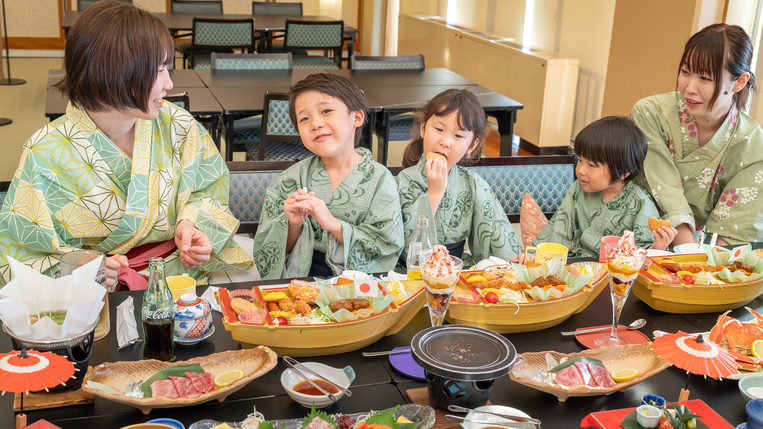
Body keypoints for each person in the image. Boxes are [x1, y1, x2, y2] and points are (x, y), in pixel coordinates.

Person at [0, 1, 252, 289]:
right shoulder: (45, 152)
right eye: (158, 71)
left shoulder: (177, 125)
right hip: (95, 294)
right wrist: (74, 267)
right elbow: (17, 255)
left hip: (180, 278)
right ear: (118, 72)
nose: (169, 83)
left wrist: (190, 226)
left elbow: (209, 189)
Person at [252, 73, 404, 279]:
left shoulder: (380, 179)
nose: (315, 124)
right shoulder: (291, 178)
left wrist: (333, 224)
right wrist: (293, 225)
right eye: (304, 118)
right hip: (301, 283)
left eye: (326, 111)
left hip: (357, 289)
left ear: (357, 117)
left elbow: (387, 246)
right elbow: (268, 253)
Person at [631, 23, 763, 246]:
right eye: (685, 72)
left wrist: (699, 268)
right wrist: (688, 255)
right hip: (631, 241)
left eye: (705, 78)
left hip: (701, 258)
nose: (690, 87)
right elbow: (667, 190)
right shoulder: (650, 113)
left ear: (739, 82)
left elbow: (733, 232)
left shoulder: (752, 143)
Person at [397, 89, 521, 268]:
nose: (445, 141)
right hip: (411, 275)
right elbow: (401, 245)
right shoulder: (403, 181)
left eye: (458, 136)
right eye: (439, 129)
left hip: (455, 273)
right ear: (423, 128)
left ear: (472, 145)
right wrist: (434, 193)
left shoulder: (473, 184)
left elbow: (498, 239)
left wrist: (514, 259)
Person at [533, 116, 677, 258]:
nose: (581, 170)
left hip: (618, 271)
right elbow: (560, 229)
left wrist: (657, 246)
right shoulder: (578, 189)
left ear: (622, 172)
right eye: (580, 160)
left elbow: (642, 251)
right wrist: (537, 257)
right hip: (579, 266)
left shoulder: (640, 201)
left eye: (591, 165)